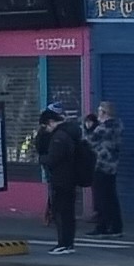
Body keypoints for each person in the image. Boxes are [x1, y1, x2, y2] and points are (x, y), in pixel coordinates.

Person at [36, 106, 88, 254]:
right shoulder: (71, 132)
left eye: (45, 125)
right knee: (68, 213)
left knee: (61, 212)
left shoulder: (59, 137)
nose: (45, 129)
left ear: (51, 122)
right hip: (70, 178)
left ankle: (63, 244)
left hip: (61, 178)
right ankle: (68, 243)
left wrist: (42, 159)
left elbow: (53, 158)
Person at [87, 101, 124, 237]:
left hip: (101, 164)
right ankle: (116, 226)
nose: (98, 114)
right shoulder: (118, 125)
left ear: (104, 113)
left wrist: (89, 127)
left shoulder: (103, 128)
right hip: (113, 165)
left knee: (101, 197)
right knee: (112, 197)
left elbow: (89, 140)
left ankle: (102, 226)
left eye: (99, 111)